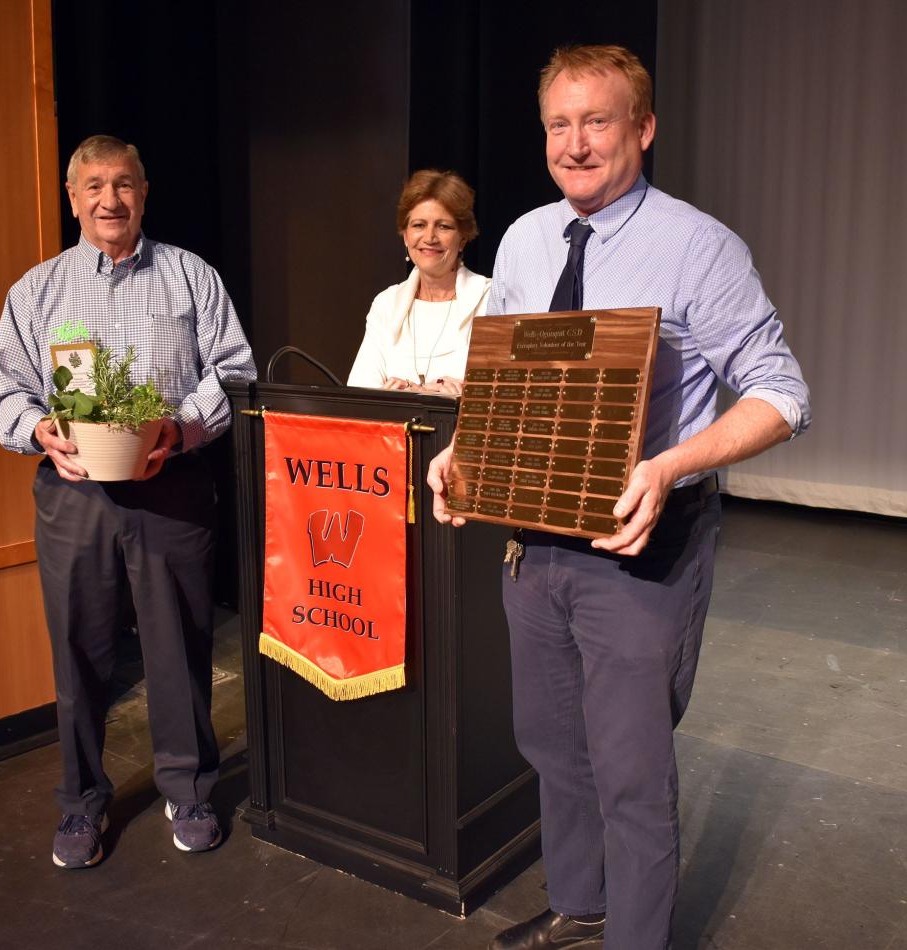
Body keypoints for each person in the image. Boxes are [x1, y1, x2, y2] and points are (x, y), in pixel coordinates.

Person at [427, 46, 810, 949]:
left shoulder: (698, 246)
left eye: (596, 121)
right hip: (532, 542)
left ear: (642, 128)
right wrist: (462, 452)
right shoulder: (523, 239)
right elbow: (505, 386)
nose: (575, 143)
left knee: (631, 773)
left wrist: (669, 466)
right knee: (553, 750)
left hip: (640, 547)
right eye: (559, 124)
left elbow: (781, 394)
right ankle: (581, 906)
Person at [0, 134, 255, 868]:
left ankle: (189, 787)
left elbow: (232, 371)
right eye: (95, 185)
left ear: (144, 192)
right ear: (73, 198)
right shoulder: (36, 290)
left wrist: (182, 424)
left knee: (179, 647)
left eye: (125, 184)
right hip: (73, 497)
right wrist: (39, 427)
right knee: (78, 655)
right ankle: (81, 802)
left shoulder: (190, 276)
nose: (111, 199)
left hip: (172, 486)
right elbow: (4, 392)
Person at [347, 169, 491, 396]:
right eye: (418, 225)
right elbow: (360, 395)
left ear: (462, 238)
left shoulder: (489, 300)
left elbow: (499, 396)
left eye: (443, 226)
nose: (430, 237)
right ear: (405, 235)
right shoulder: (386, 304)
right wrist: (422, 392)